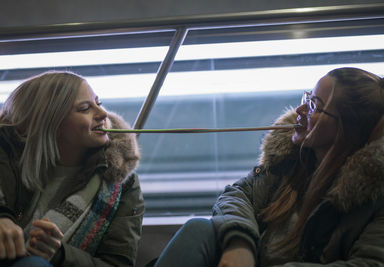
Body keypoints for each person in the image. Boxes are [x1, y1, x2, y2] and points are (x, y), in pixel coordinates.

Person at [153, 67, 384, 267]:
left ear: (347, 128)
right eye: (307, 98)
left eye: (315, 106)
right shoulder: (290, 164)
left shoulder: (373, 194)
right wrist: (239, 243)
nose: (300, 111)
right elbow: (239, 194)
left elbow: (370, 263)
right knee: (198, 229)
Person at [0, 71, 144, 266]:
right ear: (51, 124)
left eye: (98, 103)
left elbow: (118, 264)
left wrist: (60, 256)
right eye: (85, 108)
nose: (103, 113)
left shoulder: (121, 184)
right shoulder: (10, 165)